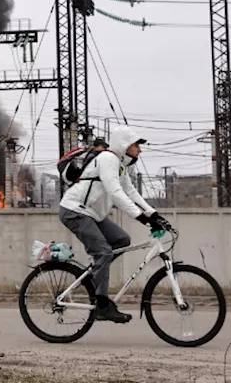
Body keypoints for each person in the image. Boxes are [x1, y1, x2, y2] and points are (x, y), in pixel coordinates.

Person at [59, 126, 171, 323]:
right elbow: (115, 193)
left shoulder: (119, 164)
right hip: (75, 211)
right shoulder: (107, 159)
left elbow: (131, 192)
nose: (139, 150)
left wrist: (154, 214)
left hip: (92, 214)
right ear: (125, 145)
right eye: (136, 145)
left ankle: (94, 274)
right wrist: (142, 218)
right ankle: (101, 304)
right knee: (104, 252)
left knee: (121, 240)